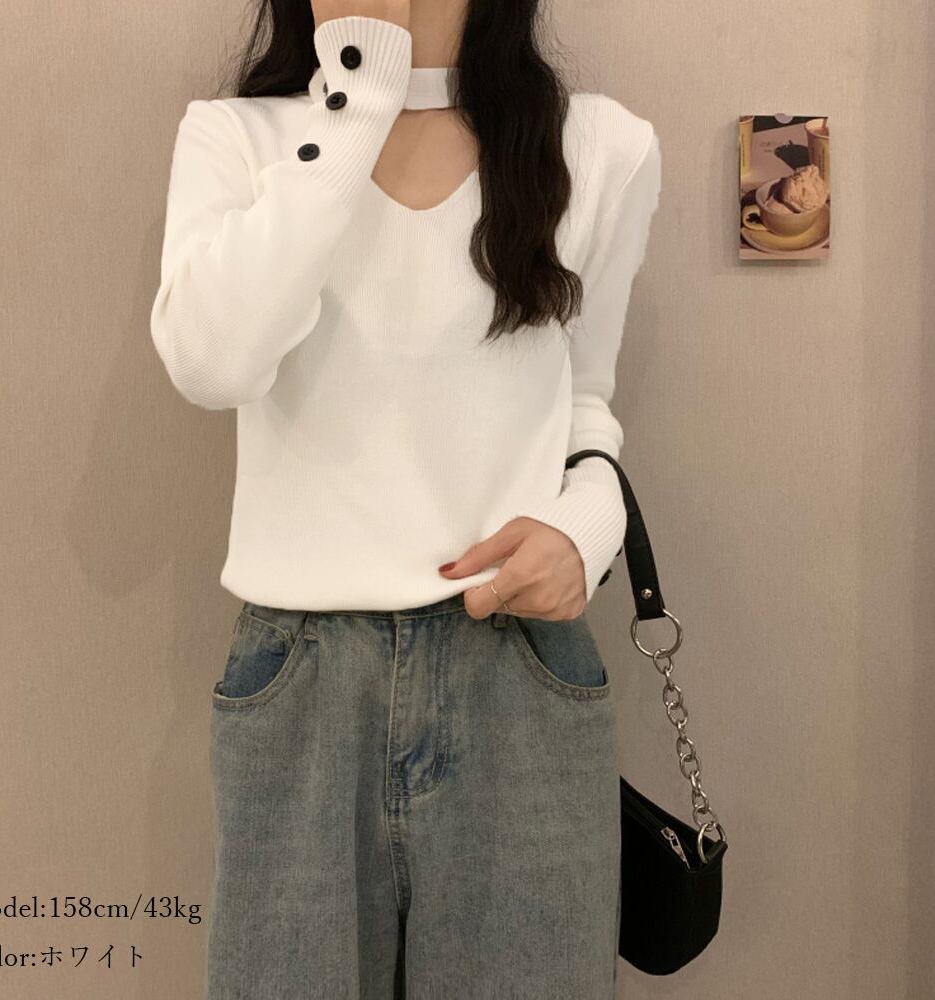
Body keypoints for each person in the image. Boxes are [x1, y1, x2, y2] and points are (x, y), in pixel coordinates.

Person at [149, 0, 661, 995]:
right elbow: (213, 364)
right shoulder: (239, 139)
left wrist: (585, 531)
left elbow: (585, 405)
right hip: (302, 681)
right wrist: (359, 97)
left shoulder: (600, 147)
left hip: (515, 668)